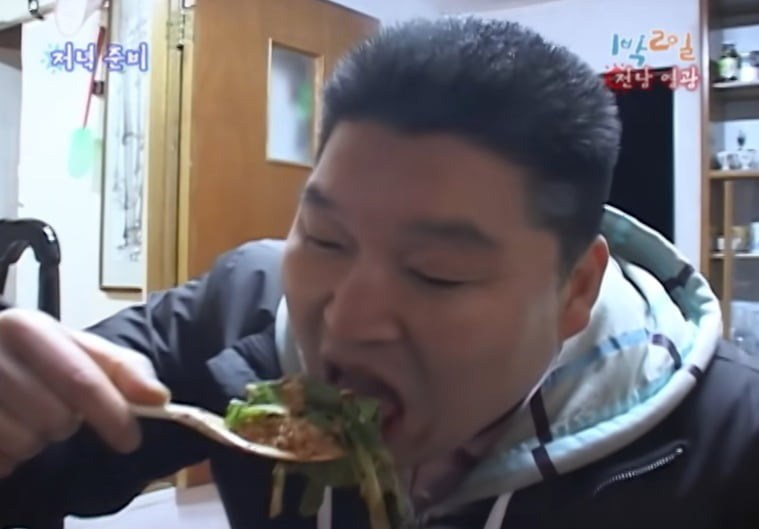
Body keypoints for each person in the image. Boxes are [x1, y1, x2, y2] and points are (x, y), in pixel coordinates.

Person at [0, 16, 757, 529]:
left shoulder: (729, 438)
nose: (348, 319)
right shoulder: (242, 307)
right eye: (325, 238)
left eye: (437, 273)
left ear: (574, 289)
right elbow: (45, 470)